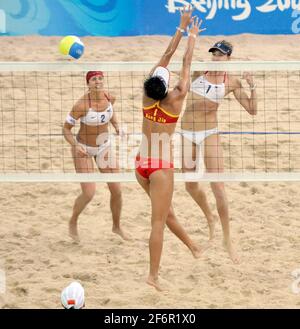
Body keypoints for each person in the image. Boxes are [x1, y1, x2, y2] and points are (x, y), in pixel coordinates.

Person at [135, 6, 206, 291]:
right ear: (167, 87)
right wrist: (193, 35)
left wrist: (179, 27)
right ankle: (153, 275)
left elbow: (167, 55)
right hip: (161, 168)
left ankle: (193, 246)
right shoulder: (176, 98)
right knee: (157, 222)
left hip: (140, 165)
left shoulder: (145, 96)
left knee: (166, 214)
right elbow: (186, 61)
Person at [181, 40, 258, 264]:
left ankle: (227, 240)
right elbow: (185, 63)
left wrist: (253, 86)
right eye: (214, 54)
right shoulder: (197, 73)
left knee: (218, 186)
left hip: (209, 132)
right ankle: (209, 216)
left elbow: (252, 110)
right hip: (187, 132)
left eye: (220, 55)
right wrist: (190, 38)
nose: (216, 57)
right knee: (190, 185)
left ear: (228, 58)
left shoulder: (231, 82)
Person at [63, 71, 128, 242]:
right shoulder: (81, 105)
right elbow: (65, 130)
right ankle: (73, 221)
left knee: (117, 190)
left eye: (100, 78)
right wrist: (75, 146)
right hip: (83, 149)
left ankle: (116, 227)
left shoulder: (109, 97)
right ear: (88, 83)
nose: (97, 82)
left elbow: (111, 112)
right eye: (93, 79)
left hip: (104, 147)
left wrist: (117, 127)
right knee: (89, 193)